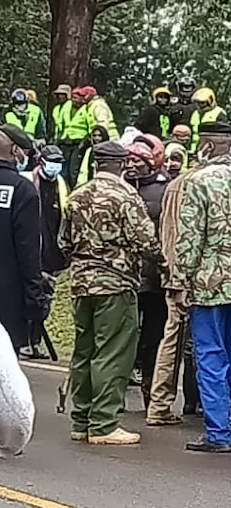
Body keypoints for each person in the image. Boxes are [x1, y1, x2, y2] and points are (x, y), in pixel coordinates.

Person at [171, 122, 231, 453]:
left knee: (211, 358)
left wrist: (181, 280)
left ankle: (219, 433)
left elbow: (190, 238)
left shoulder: (197, 182)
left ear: (207, 147)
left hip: (209, 285)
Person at [58, 141, 162, 445]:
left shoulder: (77, 197)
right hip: (115, 283)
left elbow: (63, 242)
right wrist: (164, 264)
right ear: (122, 164)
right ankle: (103, 424)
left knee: (84, 350)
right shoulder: (126, 195)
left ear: (95, 164)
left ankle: (81, 419)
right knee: (113, 351)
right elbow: (147, 242)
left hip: (81, 283)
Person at [146, 152, 201, 426]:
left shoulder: (175, 184)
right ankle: (161, 404)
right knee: (178, 339)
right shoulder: (195, 185)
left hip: (173, 270)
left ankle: (160, 402)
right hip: (186, 273)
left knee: (173, 339)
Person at [123, 142, 169, 409]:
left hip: (154, 276)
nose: (130, 165)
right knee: (123, 336)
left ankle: (151, 393)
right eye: (127, 160)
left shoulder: (165, 190)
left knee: (154, 336)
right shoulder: (119, 188)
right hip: (125, 275)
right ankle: (114, 393)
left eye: (136, 160)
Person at [19, 145, 69, 359]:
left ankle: (35, 342)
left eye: (59, 162)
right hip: (29, 249)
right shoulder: (28, 181)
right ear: (41, 161)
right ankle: (22, 341)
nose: (55, 167)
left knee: (44, 299)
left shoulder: (60, 184)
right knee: (24, 296)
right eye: (51, 161)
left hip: (51, 252)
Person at [0, 124, 47, 353]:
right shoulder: (21, 190)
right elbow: (28, 251)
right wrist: (35, 298)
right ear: (16, 151)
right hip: (7, 299)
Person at [58, 88, 92, 187]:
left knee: (74, 170)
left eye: (77, 98)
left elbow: (90, 126)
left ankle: (74, 190)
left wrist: (85, 142)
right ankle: (63, 191)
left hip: (79, 143)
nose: (75, 100)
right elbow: (61, 122)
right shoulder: (66, 106)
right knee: (64, 170)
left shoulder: (86, 109)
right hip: (65, 141)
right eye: (73, 98)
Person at [189, 88, 228, 153]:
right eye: (197, 103)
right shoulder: (195, 113)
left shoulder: (219, 113)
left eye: (202, 103)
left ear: (210, 101)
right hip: (194, 150)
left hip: (211, 150)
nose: (199, 105)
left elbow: (222, 137)